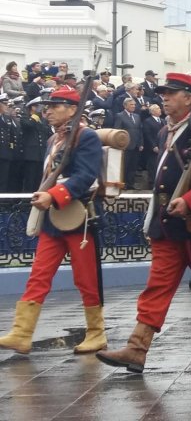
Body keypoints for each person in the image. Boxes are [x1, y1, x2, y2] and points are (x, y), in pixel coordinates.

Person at [97, 72, 191, 373]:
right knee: (156, 286)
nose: (164, 97)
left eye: (171, 93)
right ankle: (137, 347)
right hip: (167, 222)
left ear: (188, 97)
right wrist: (153, 219)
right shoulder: (164, 132)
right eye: (163, 92)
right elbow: (161, 181)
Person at [0, 87, 106, 356]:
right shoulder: (53, 140)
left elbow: (85, 177)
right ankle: (22, 333)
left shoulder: (87, 137)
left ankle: (96, 333)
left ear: (72, 109)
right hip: (53, 218)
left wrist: (54, 195)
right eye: (47, 106)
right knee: (39, 275)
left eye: (55, 105)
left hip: (79, 216)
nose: (47, 110)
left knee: (86, 278)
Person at [20, 98, 51, 193]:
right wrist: (36, 115)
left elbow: (47, 133)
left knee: (38, 181)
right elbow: (29, 125)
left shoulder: (42, 120)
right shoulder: (25, 118)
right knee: (30, 180)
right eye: (37, 106)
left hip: (41, 155)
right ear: (32, 107)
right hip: (31, 155)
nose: (40, 108)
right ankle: (26, 203)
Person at [115, 98, 144, 190]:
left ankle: (130, 184)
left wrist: (141, 143)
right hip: (125, 146)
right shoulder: (119, 116)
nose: (133, 106)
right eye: (131, 105)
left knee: (133, 166)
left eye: (134, 105)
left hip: (136, 145)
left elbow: (140, 130)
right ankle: (122, 184)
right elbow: (117, 131)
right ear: (125, 105)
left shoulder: (137, 116)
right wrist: (120, 145)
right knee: (125, 166)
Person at [142, 104, 164, 189]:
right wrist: (153, 146)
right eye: (158, 109)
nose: (160, 110)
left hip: (162, 146)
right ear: (153, 111)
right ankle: (152, 184)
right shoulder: (148, 121)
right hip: (153, 148)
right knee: (152, 166)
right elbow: (148, 135)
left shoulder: (162, 121)